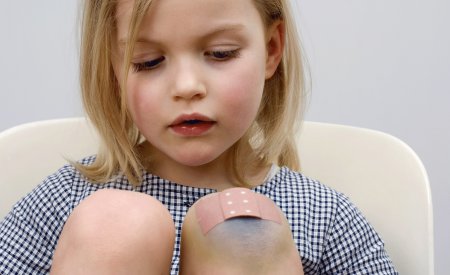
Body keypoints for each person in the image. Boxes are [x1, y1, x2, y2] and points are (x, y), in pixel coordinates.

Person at [0, 0, 398, 274]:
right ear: (114, 67)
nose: (187, 86)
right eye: (148, 62)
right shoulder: (65, 202)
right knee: (115, 224)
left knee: (245, 229)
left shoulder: (322, 218)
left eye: (220, 53)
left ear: (272, 49)